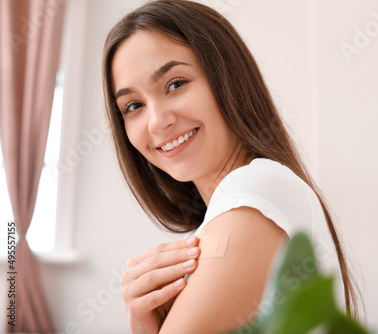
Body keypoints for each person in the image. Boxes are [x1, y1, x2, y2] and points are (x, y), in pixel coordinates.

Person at [102, 0, 361, 333]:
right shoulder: (233, 207)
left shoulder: (254, 190)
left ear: (227, 78)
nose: (157, 122)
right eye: (133, 105)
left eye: (176, 84)